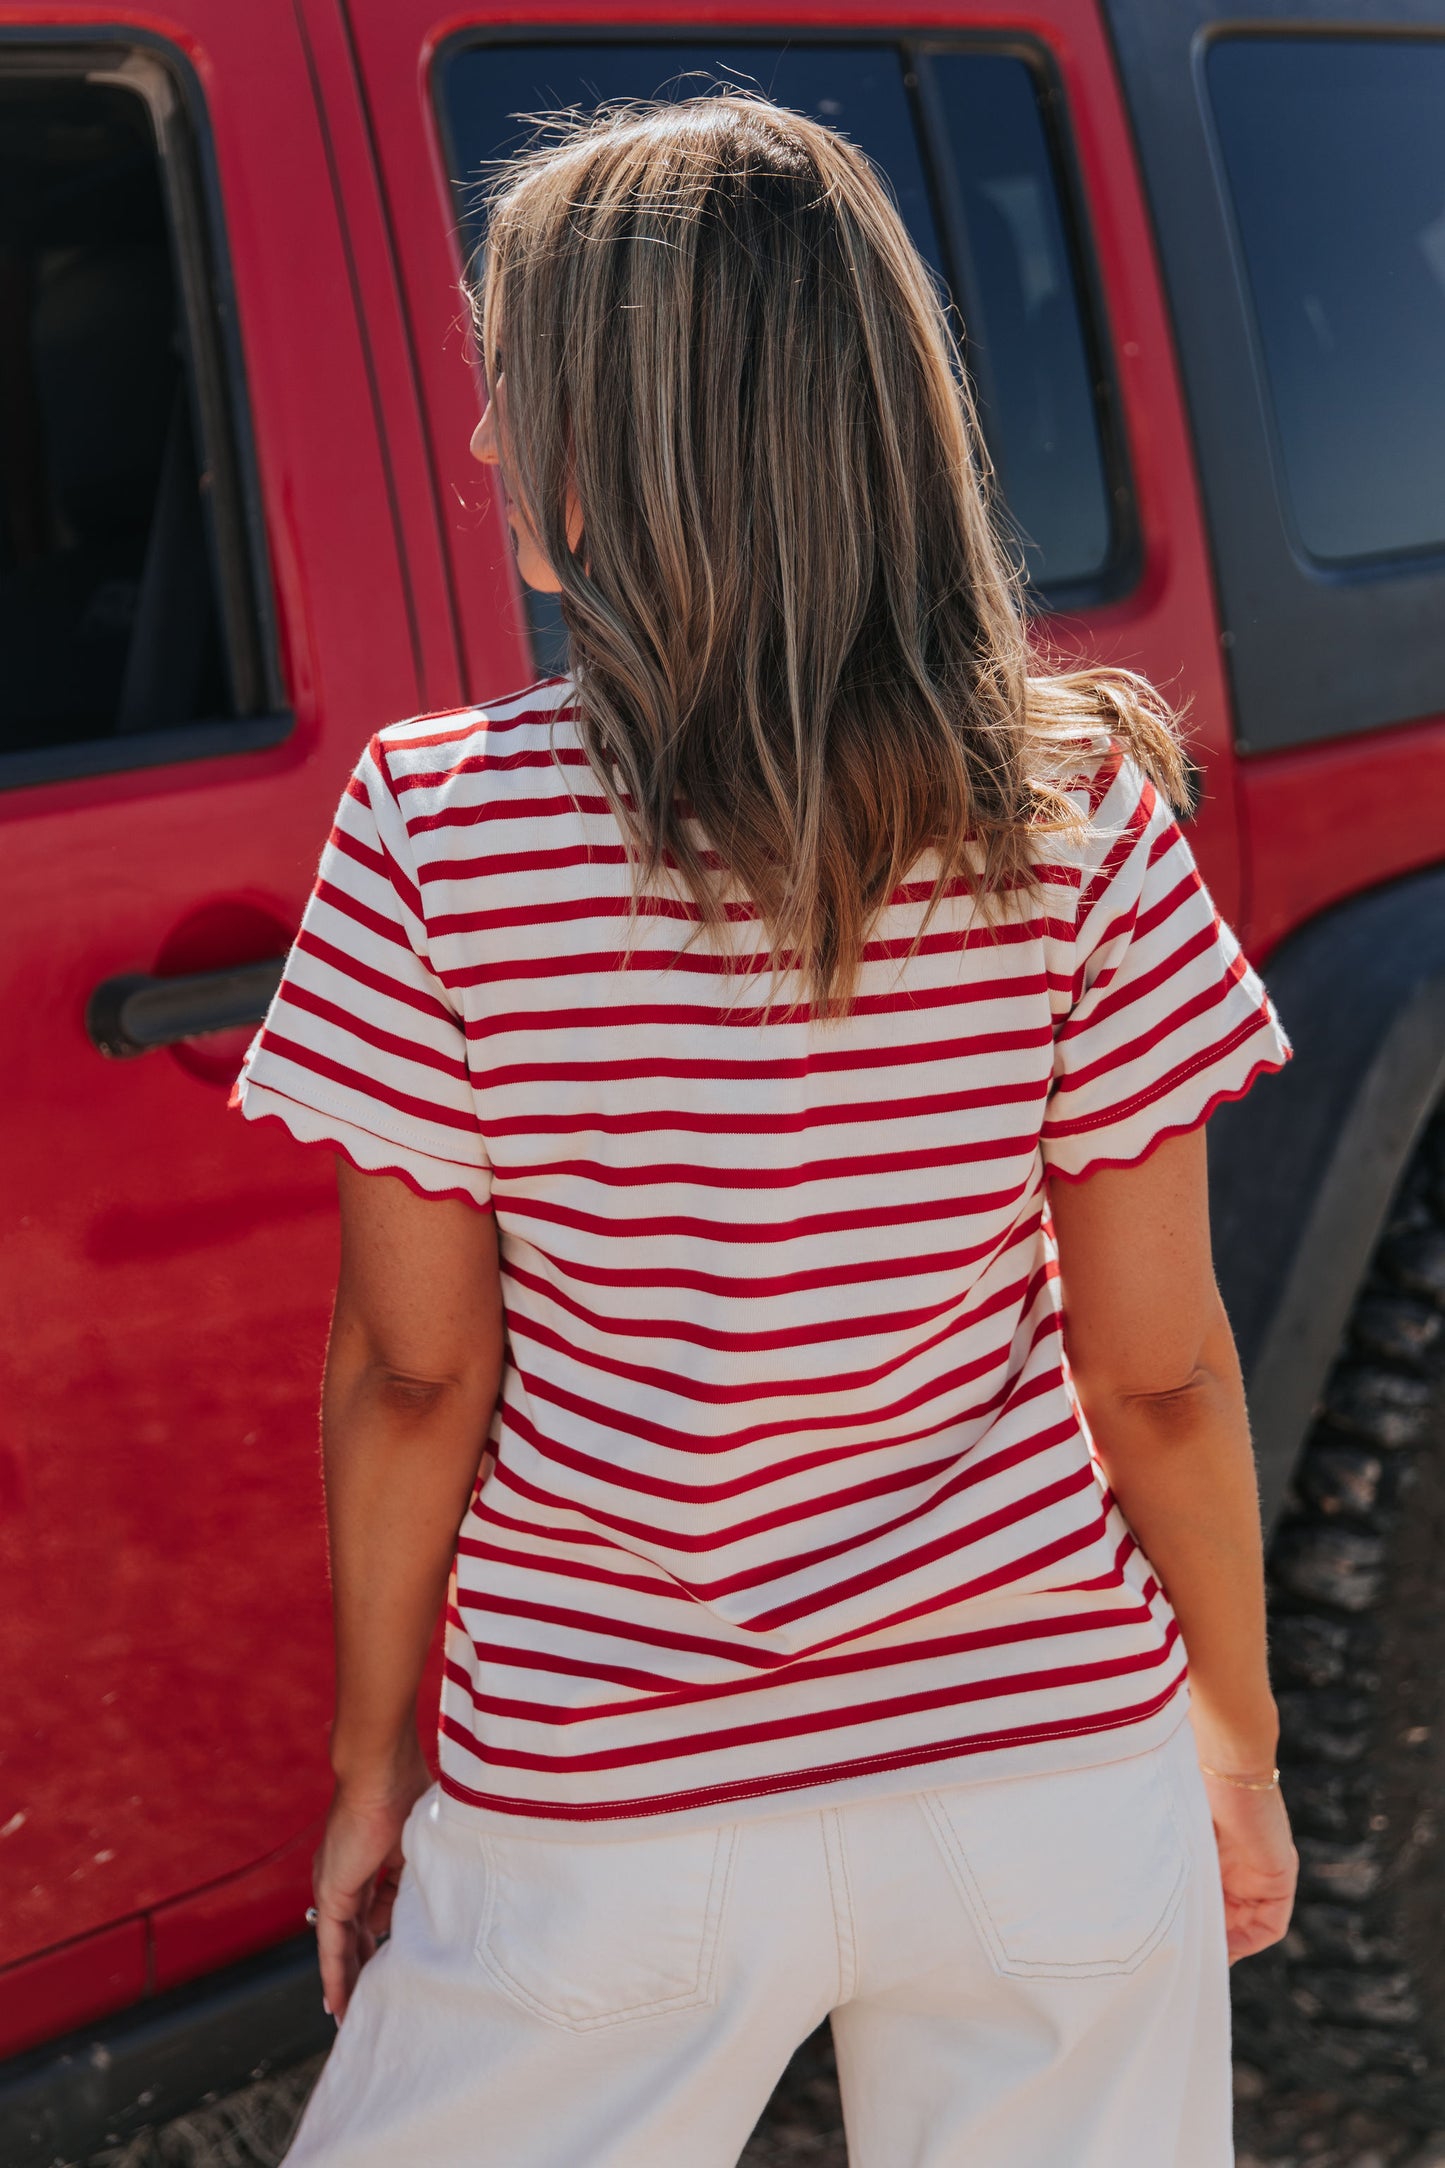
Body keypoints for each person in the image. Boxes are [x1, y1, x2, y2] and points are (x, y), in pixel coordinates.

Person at [235, 94, 1297, 2168]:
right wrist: (1231, 1734)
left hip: (608, 1803)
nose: (477, 447)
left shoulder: (437, 827)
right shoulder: (1077, 814)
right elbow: (1155, 1365)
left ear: (637, 435)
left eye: (508, 388)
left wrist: (377, 1765)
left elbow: (417, 1366)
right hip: (1045, 1766)